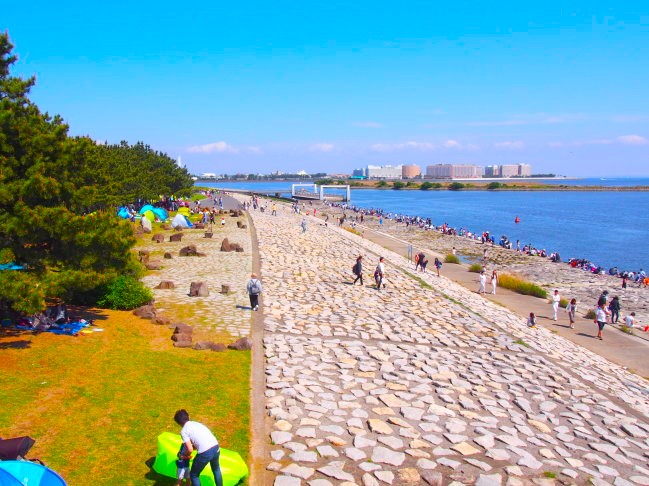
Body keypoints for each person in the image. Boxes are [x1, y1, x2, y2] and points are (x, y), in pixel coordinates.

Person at [173, 409, 222, 486]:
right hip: (216, 447)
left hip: (205, 452)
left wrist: (184, 455)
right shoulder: (196, 424)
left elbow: (190, 449)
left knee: (194, 475)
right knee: (216, 469)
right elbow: (198, 441)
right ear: (188, 416)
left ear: (178, 423)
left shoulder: (184, 431)